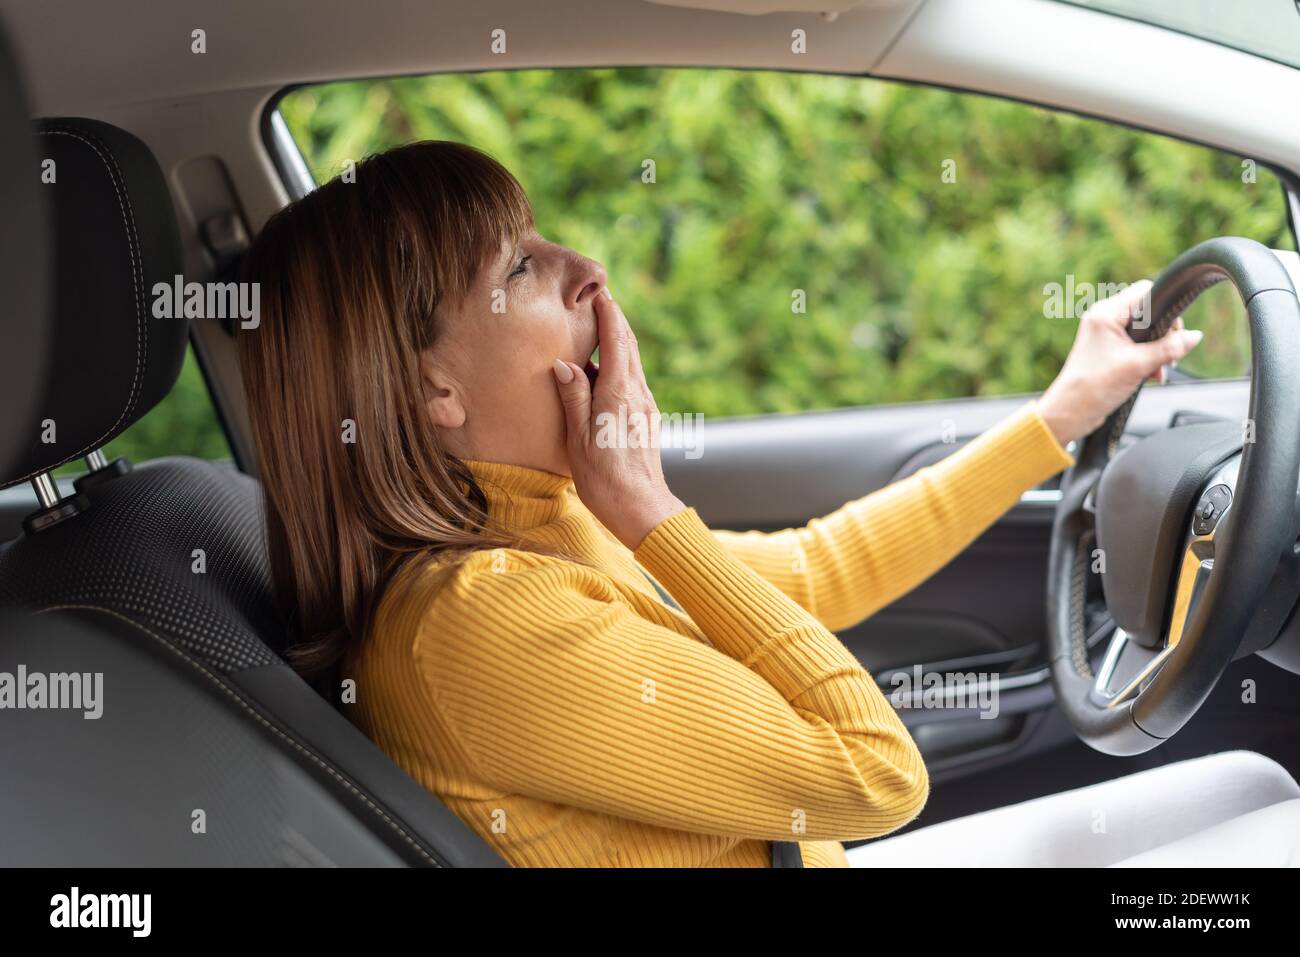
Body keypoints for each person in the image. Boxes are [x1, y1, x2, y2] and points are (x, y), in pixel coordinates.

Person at [236, 140, 1203, 866]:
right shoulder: (480, 622)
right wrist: (650, 509)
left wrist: (1060, 414)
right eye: (521, 267)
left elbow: (819, 570)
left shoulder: (539, 526)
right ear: (430, 393)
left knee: (1236, 791)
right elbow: (877, 773)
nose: (588, 269)